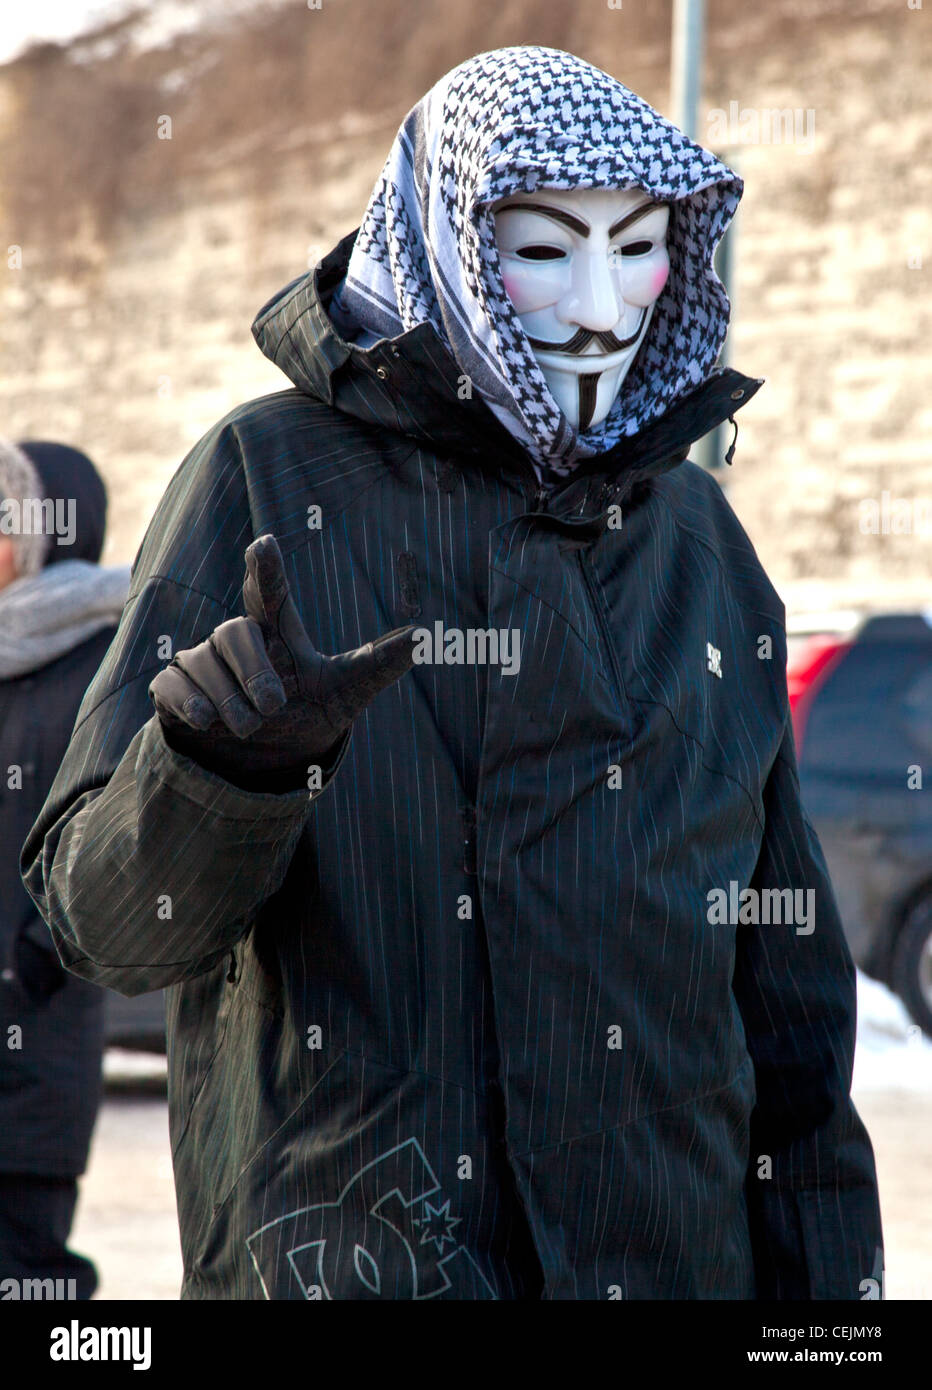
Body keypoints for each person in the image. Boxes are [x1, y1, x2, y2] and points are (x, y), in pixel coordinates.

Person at [22, 47, 883, 1300]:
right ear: (443, 241)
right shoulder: (265, 482)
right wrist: (217, 776)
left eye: (634, 246)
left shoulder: (699, 542)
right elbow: (101, 928)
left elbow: (788, 1008)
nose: (601, 307)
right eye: (540, 250)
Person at [0, 438, 129, 1299]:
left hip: (35, 1030)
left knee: (29, 1272)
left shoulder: (109, 656)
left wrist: (39, 955)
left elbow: (119, 831)